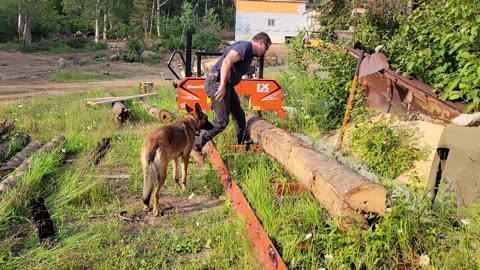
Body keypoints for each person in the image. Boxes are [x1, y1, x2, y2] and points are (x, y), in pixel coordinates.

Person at [191, 32, 272, 164]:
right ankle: (195, 145)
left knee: (239, 115)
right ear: (261, 42)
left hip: (226, 85)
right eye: (266, 48)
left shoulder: (249, 52)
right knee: (221, 121)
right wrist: (222, 85)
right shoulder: (245, 47)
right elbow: (227, 61)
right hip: (218, 83)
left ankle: (243, 144)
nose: (265, 53)